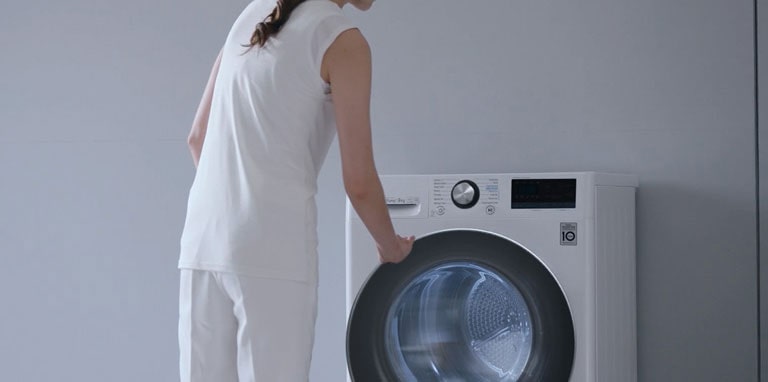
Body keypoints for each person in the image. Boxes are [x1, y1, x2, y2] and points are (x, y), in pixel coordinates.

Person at [177, 0, 414, 380]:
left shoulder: (254, 12)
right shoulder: (343, 41)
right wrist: (391, 246)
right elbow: (359, 182)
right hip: (274, 247)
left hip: (202, 242)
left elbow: (197, 138)